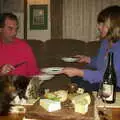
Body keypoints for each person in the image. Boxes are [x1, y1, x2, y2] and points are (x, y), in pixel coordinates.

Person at [59, 5, 120, 91]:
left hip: (115, 85)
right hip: (104, 81)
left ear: (114, 26)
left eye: (102, 24)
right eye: (99, 24)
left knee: (81, 83)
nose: (99, 27)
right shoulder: (105, 42)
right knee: (76, 79)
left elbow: (107, 75)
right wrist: (87, 59)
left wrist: (79, 72)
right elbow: (101, 63)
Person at [0, 13, 40, 77]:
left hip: (22, 86)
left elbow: (34, 73)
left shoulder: (25, 47)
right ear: (1, 29)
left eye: (16, 29)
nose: (14, 33)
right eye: (10, 28)